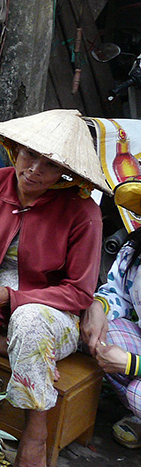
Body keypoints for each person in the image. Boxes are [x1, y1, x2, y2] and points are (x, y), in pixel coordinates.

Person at [0, 109, 108, 467]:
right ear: (14, 149)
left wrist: (14, 298)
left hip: (51, 312)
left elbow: (79, 294)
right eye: (30, 155)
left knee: (30, 321)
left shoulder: (83, 213)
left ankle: (35, 436)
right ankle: (15, 350)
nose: (36, 169)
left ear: (65, 173)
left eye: (51, 165)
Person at [80, 179, 141, 448]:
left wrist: (132, 364)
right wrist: (97, 307)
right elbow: (117, 291)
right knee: (103, 333)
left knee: (138, 394)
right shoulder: (135, 251)